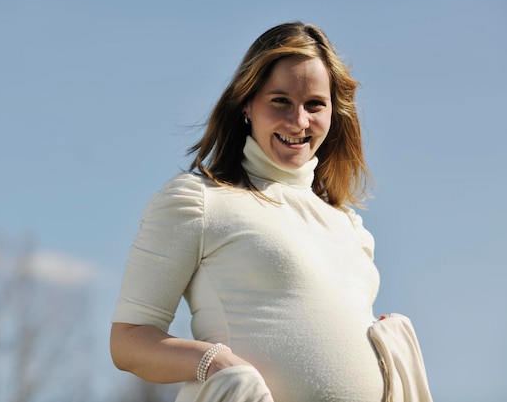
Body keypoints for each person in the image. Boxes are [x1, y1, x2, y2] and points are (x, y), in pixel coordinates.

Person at [111, 21, 387, 402]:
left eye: (315, 105)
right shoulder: (198, 200)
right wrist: (216, 363)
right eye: (280, 101)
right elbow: (128, 341)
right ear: (246, 103)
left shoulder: (349, 226)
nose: (299, 121)